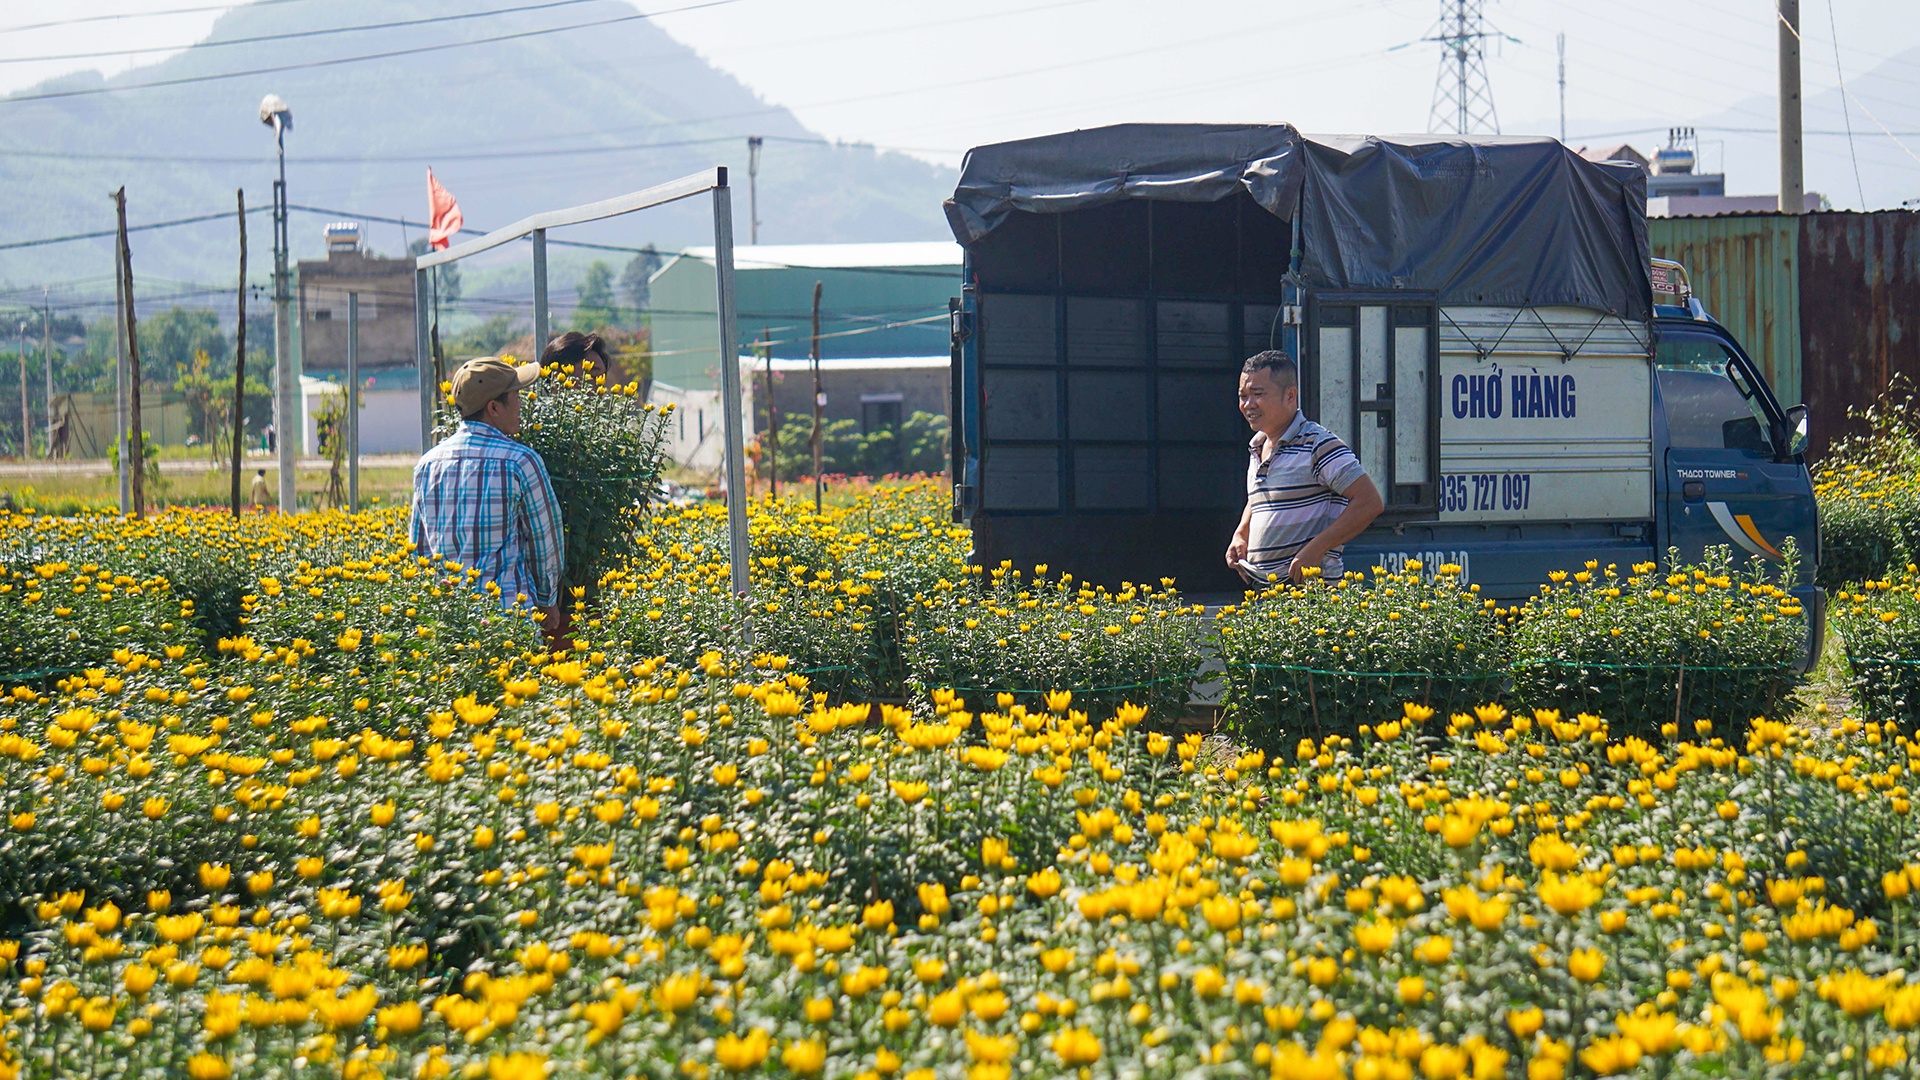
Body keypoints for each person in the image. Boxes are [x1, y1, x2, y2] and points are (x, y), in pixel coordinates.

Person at [410, 356, 567, 644]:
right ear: (494, 408)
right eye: (516, 396)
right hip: (507, 625)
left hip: (447, 627)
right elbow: (545, 543)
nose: (521, 405)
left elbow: (419, 551)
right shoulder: (520, 461)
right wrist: (547, 600)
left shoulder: (427, 465)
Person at [1226, 349, 1384, 584]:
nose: (1248, 404)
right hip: (1265, 590)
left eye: (1258, 394)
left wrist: (1317, 548)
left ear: (1290, 396)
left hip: (1310, 592)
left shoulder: (1318, 444)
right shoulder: (1257, 448)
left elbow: (1369, 502)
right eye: (1243, 396)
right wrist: (1241, 534)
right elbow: (1259, 499)